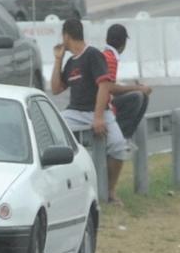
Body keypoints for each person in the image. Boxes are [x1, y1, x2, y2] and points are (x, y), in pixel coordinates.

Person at [51, 19, 130, 204]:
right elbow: (55, 88)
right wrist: (58, 60)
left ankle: (110, 191)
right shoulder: (70, 62)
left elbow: (104, 85)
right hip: (74, 113)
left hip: (98, 111)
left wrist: (98, 116)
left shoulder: (93, 55)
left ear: (66, 36)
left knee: (118, 146)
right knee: (53, 133)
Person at [103, 23, 152, 141]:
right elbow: (109, 88)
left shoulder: (108, 55)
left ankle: (125, 137)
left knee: (142, 96)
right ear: (123, 43)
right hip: (103, 105)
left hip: (105, 100)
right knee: (138, 97)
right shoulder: (110, 58)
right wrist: (137, 88)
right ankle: (122, 137)